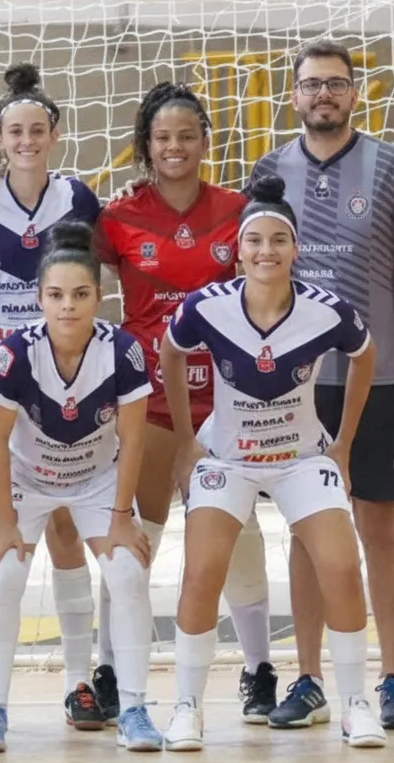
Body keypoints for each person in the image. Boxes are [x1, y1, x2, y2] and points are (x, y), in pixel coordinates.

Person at [244, 41, 394, 729]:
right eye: (311, 85)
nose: (323, 95)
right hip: (295, 386)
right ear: (294, 94)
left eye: (336, 84)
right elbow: (248, 269)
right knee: (306, 533)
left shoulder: (393, 167)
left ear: (355, 93)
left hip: (385, 379)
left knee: (379, 527)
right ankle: (308, 680)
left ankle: (390, 678)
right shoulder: (269, 170)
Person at [159, 175, 386, 751]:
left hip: (302, 456)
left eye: (278, 241)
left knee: (340, 564)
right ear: (238, 249)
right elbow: (171, 351)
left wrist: (343, 445)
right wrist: (187, 440)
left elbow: (365, 357)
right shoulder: (206, 307)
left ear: (295, 248)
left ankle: (357, 702)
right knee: (202, 571)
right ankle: (187, 707)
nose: (266, 251)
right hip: (228, 457)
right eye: (254, 241)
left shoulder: (326, 309)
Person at [95, 83, 280, 722]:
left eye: (186, 136)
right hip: (146, 399)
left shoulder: (239, 210)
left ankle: (259, 670)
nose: (174, 147)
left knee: (238, 534)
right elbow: (65, 279)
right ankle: (110, 669)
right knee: (134, 534)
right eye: (162, 137)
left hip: (226, 402)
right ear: (145, 146)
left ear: (205, 140)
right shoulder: (116, 218)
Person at [0, 62, 108, 728]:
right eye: (14, 131)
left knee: (66, 525)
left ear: (54, 134)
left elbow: (95, 271)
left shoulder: (79, 197)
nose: (25, 140)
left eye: (37, 130)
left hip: (64, 384)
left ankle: (80, 682)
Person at [0, 220, 155, 753]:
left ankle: (137, 708)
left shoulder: (123, 351)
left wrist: (121, 515)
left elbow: (134, 440)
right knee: (3, 577)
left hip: (97, 482)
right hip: (27, 480)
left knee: (127, 572)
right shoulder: (13, 354)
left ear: (100, 295)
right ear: (39, 298)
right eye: (55, 295)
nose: (67, 306)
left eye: (80, 295)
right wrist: (4, 520)